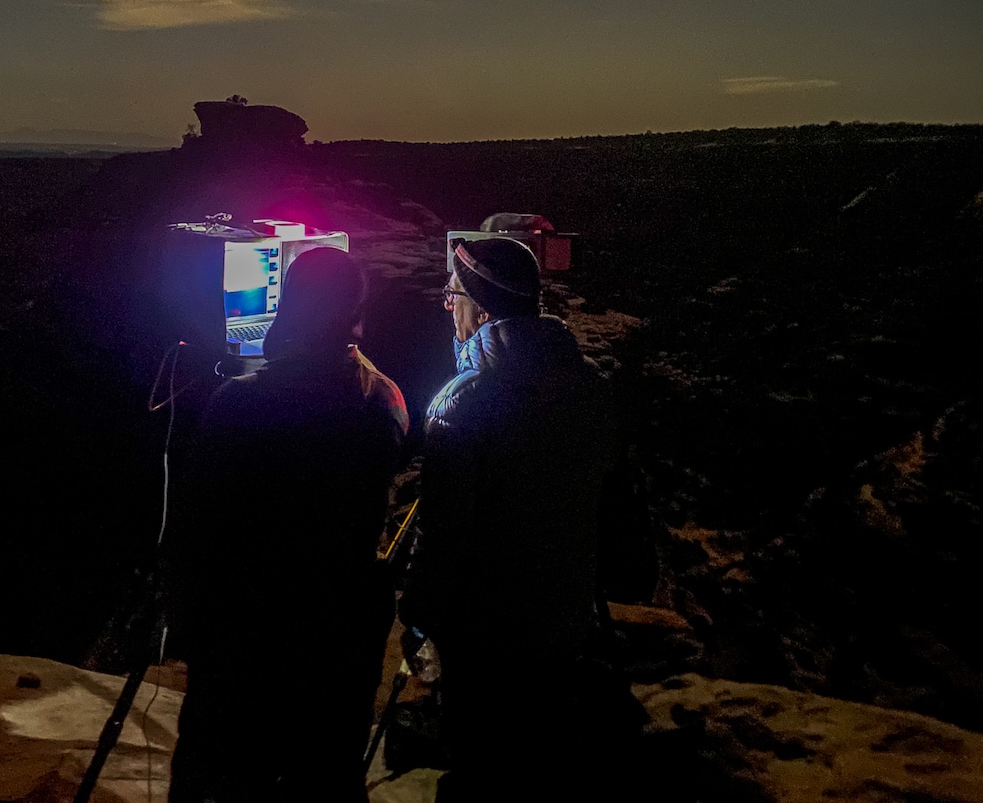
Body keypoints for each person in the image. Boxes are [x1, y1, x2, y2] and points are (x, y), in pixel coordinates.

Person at [399, 237, 646, 801]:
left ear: (481, 310)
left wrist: (417, 616)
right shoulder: (589, 389)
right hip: (563, 623)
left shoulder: (465, 403)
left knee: (478, 768)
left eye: (453, 293)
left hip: (484, 639)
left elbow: (443, 536)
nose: (445, 304)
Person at [168, 246, 408, 803]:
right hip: (337, 638)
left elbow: (194, 523)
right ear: (356, 309)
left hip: (243, 634)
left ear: (291, 305)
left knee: (220, 776)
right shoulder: (384, 400)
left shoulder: (237, 404)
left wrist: (186, 616)